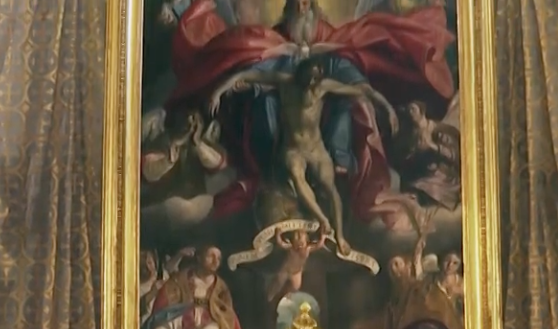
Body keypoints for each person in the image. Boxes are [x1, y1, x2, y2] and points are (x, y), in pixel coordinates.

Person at [163, 0, 456, 225]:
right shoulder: (275, 42)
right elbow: (257, 70)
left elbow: (352, 74)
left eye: (307, 3)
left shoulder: (329, 47)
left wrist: (383, 104)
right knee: (264, 104)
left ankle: (341, 165)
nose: (303, 7)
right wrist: (225, 86)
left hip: (319, 126)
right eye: (298, 4)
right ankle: (267, 167)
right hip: (286, 123)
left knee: (347, 105)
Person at [210, 57, 398, 253]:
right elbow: (247, 75)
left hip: (316, 149)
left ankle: (340, 237)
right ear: (300, 76)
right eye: (308, 79)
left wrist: (387, 107)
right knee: (296, 175)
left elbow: (362, 90)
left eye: (315, 80)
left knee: (331, 189)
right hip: (293, 149)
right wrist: (218, 92)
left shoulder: (323, 87)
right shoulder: (285, 82)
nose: (311, 84)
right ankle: (322, 219)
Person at [267, 227, 328, 301]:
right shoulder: (290, 247)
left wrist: (323, 236)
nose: (299, 245)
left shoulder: (308, 249)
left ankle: (286, 298)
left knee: (295, 288)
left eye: (302, 241)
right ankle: (270, 296)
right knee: (278, 283)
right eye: (297, 240)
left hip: (297, 272)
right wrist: (278, 235)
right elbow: (281, 243)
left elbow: (319, 245)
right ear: (292, 241)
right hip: (286, 270)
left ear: (306, 241)